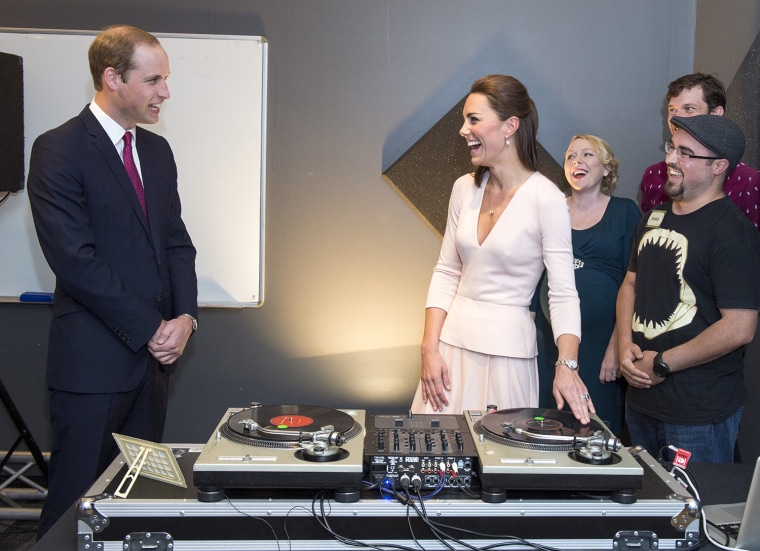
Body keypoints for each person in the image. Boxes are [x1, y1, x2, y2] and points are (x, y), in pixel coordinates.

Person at [27, 25, 198, 537]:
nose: (164, 92)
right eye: (153, 80)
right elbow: (75, 261)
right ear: (111, 78)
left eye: (165, 79)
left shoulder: (158, 152)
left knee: (140, 504)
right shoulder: (57, 150)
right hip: (92, 369)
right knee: (72, 508)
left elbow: (176, 244)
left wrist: (186, 318)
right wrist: (152, 328)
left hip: (153, 369)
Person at [410, 74, 593, 425]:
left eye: (473, 120)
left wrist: (567, 364)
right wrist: (429, 348)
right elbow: (447, 271)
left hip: (507, 359)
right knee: (435, 463)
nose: (464, 130)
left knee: (497, 465)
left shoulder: (548, 199)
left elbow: (563, 293)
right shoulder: (464, 188)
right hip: (448, 355)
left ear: (510, 126)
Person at [617, 115, 760, 463]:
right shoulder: (654, 218)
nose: (669, 160)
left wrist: (663, 364)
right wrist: (624, 347)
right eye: (672, 148)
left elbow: (740, 327)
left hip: (698, 415)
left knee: (694, 513)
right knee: (648, 512)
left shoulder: (732, 232)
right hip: (640, 404)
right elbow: (630, 284)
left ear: (719, 166)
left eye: (685, 153)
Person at [535, 135, 640, 436]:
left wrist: (616, 345)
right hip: (550, 343)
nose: (577, 162)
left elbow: (633, 283)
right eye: (570, 156)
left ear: (606, 169)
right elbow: (533, 278)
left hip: (601, 346)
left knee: (596, 429)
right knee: (548, 426)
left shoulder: (624, 212)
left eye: (587, 155)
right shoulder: (550, 210)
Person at [639, 73, 760, 230]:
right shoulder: (654, 175)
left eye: (689, 108)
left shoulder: (749, 182)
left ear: (716, 114)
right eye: (672, 110)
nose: (677, 118)